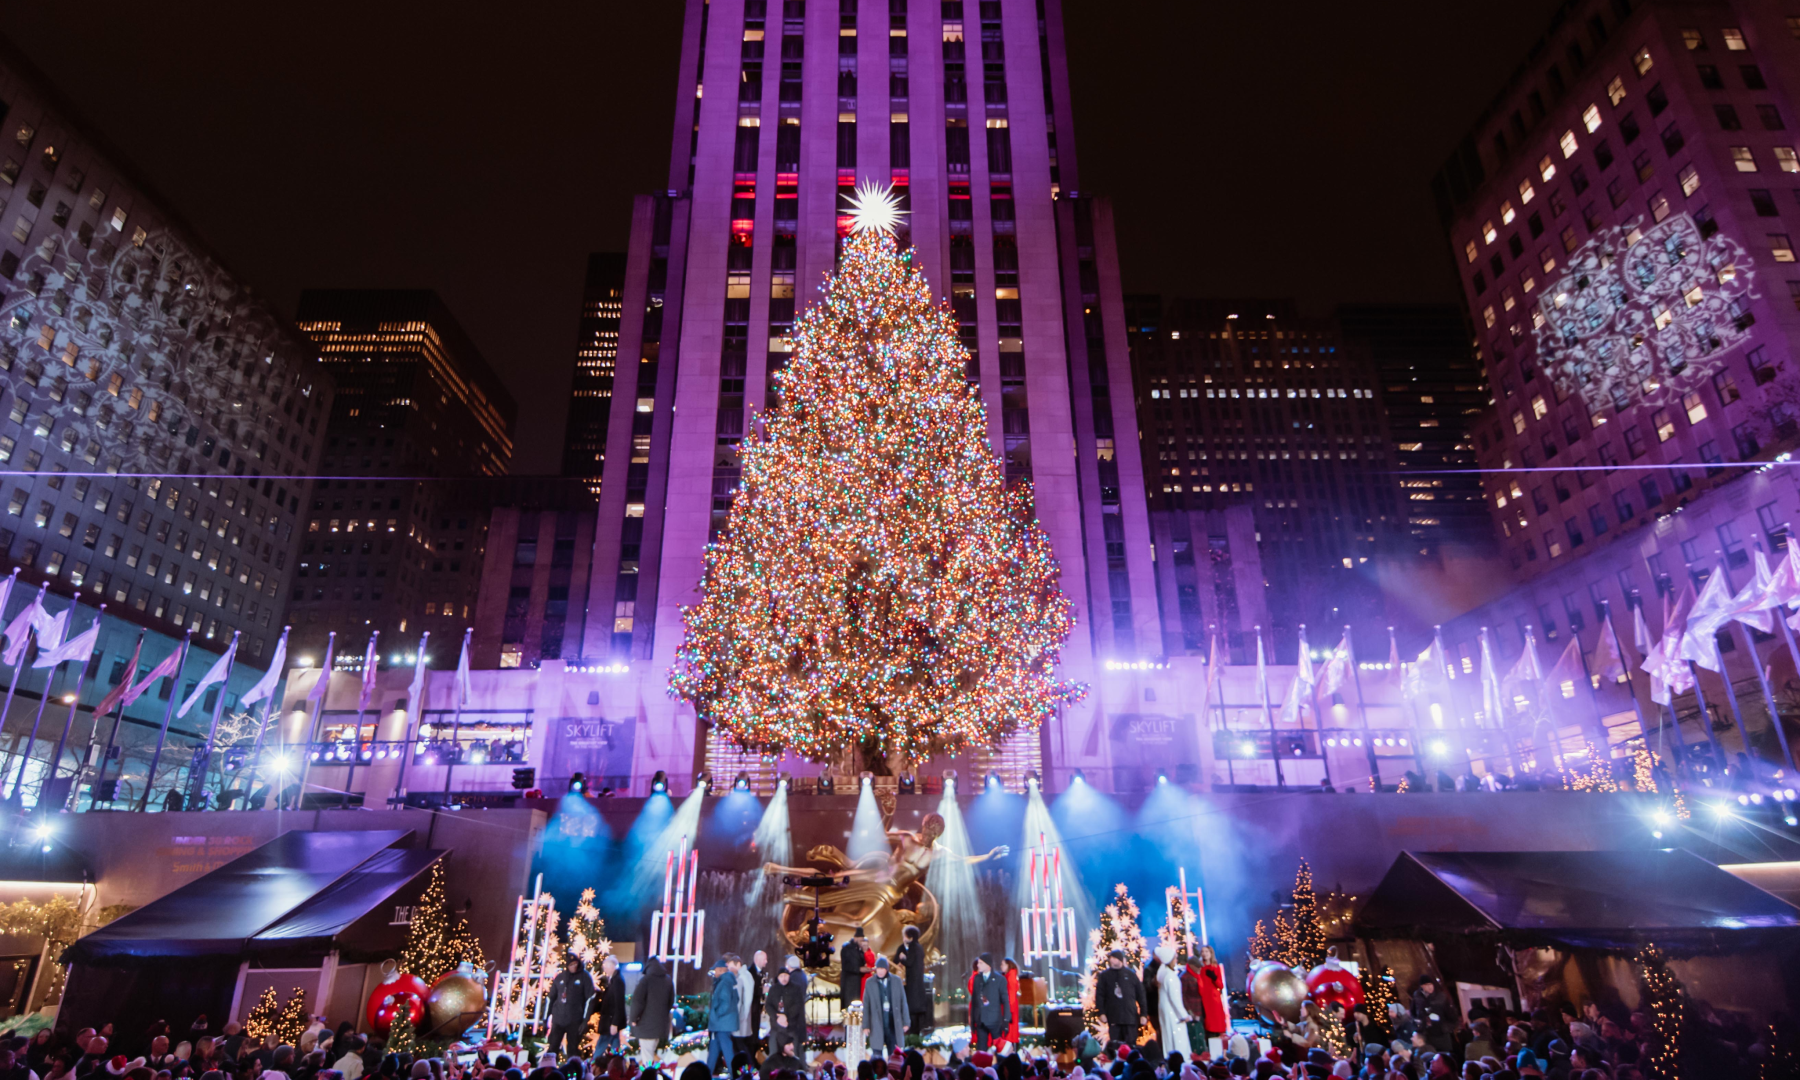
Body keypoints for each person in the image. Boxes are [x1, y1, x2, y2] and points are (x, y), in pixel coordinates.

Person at [547, 957, 597, 1059]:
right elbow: (551, 998)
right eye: (571, 964)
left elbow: (590, 999)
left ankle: (572, 1071)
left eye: (575, 964)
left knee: (573, 1049)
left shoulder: (584, 977)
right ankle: (549, 1070)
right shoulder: (560, 977)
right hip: (558, 1019)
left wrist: (585, 1020)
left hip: (575, 1020)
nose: (573, 966)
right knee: (553, 1047)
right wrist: (545, 1018)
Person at [861, 956, 909, 1061]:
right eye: (878, 968)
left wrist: (906, 1022)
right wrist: (866, 1025)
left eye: (882, 969)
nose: (880, 971)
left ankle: (893, 1075)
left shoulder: (896, 981)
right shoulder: (870, 983)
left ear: (887, 969)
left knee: (894, 1054)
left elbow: (903, 1002)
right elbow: (866, 1005)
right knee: (877, 1054)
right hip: (877, 1022)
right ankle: (878, 1076)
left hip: (892, 1022)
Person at [1095, 950, 1146, 1047]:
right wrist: (1101, 1012)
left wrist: (1143, 1014)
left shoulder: (1131, 975)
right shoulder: (1104, 976)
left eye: (1115, 958)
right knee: (1116, 1046)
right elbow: (1099, 996)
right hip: (1114, 1017)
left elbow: (1141, 995)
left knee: (1131, 1046)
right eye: (1112, 958)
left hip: (1130, 1017)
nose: (1112, 960)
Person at [629, 957, 675, 1059]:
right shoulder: (668, 980)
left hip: (646, 1026)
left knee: (647, 1056)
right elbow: (671, 1002)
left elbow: (638, 1002)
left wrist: (633, 1019)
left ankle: (649, 1074)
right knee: (651, 1051)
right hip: (660, 1025)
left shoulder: (645, 980)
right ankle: (651, 1072)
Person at [1151, 945, 1192, 1057]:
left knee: (1168, 1039)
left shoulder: (1163, 974)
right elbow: (1175, 998)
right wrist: (1184, 1015)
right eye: (1175, 958)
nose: (1176, 960)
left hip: (1166, 1012)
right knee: (1178, 1041)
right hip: (1174, 1015)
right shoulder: (1170, 976)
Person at [706, 957, 742, 1076]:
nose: (714, 973)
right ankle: (707, 1073)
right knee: (714, 1050)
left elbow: (725, 1003)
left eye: (715, 970)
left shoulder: (724, 983)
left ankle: (734, 1075)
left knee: (727, 1050)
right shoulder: (728, 982)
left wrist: (716, 1014)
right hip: (722, 1024)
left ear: (721, 970)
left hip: (722, 1024)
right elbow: (735, 999)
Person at [892, 926, 929, 1038]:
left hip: (913, 983)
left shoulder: (913, 947)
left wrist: (903, 958)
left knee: (913, 1008)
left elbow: (910, 962)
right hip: (917, 982)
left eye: (905, 935)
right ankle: (915, 1034)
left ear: (910, 937)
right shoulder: (919, 947)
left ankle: (912, 1035)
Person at [969, 955, 1011, 1052]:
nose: (978, 965)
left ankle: (1000, 1067)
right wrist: (972, 1022)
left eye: (981, 963)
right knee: (981, 1051)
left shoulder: (1000, 979)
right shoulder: (977, 979)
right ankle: (982, 1067)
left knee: (999, 1049)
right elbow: (974, 1001)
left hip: (995, 1021)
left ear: (988, 965)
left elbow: (1005, 1000)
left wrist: (1006, 1020)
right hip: (980, 1020)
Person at [594, 955, 628, 1056]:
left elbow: (618, 1003)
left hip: (610, 1021)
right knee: (614, 1045)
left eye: (606, 967)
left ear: (612, 966)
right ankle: (617, 1064)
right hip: (610, 1020)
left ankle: (593, 1065)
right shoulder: (614, 980)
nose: (604, 969)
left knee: (602, 1045)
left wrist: (615, 1023)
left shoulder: (617, 981)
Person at [840, 929, 870, 1015]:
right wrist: (858, 969)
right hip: (849, 982)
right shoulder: (846, 949)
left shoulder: (860, 950)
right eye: (860, 940)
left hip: (858, 981)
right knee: (849, 1006)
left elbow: (863, 961)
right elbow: (845, 966)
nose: (861, 942)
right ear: (855, 938)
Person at [1000, 959, 1021, 1049]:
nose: (1001, 966)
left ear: (1008, 965)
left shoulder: (1011, 977)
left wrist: (1008, 1013)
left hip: (1009, 1010)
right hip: (1008, 1009)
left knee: (1009, 1035)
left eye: (1003, 964)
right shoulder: (1009, 976)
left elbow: (1011, 996)